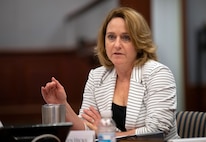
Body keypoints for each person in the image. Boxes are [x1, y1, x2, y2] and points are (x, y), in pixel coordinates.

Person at [41, 7, 180, 141]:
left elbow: (157, 130)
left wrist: (108, 133)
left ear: (139, 42)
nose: (117, 45)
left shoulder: (158, 74)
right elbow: (87, 128)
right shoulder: (97, 76)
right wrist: (62, 104)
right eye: (111, 37)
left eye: (126, 38)